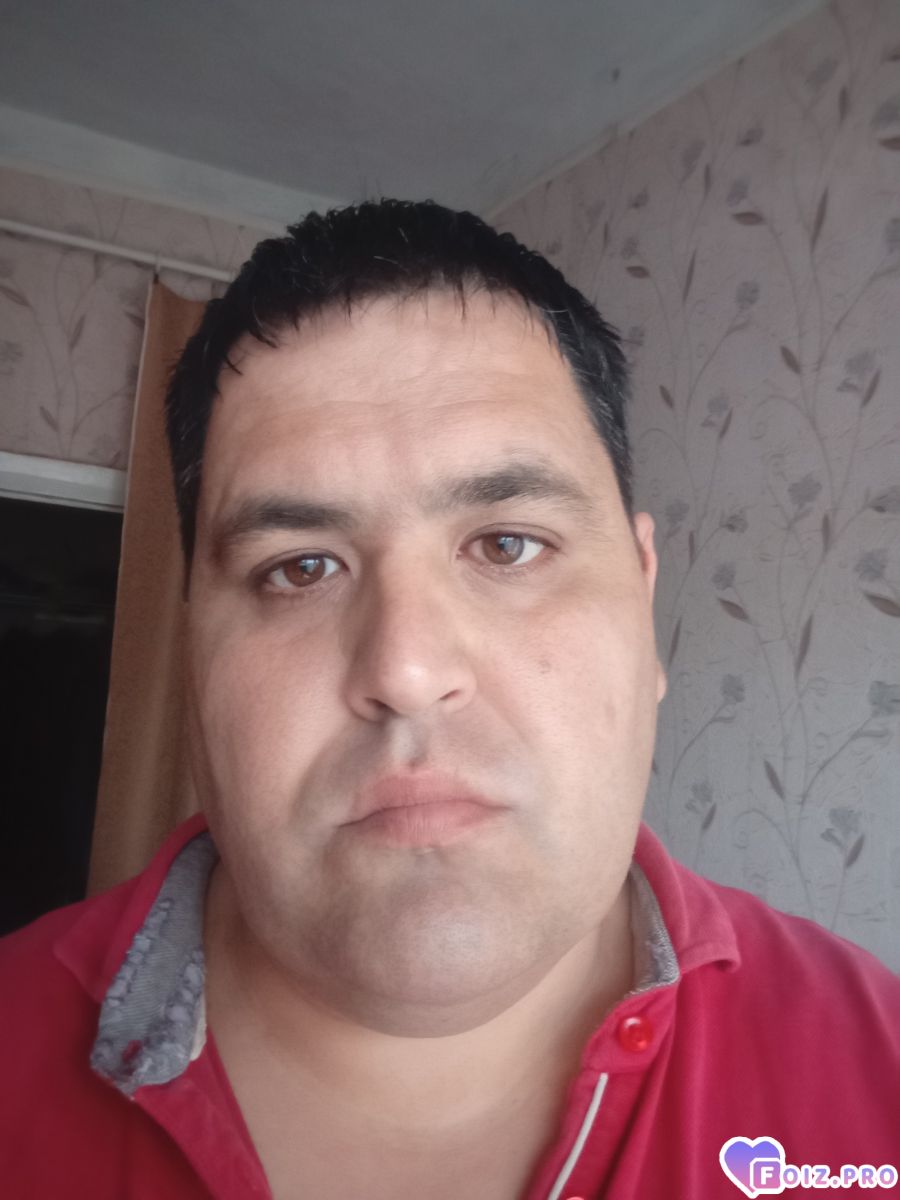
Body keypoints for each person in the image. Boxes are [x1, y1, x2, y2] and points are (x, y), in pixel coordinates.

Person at [1, 200, 898, 1200]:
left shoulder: (880, 1069)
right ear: (191, 648)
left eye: (508, 544)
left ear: (645, 603)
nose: (406, 669)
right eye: (299, 567)